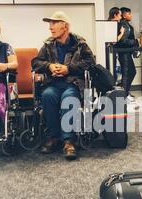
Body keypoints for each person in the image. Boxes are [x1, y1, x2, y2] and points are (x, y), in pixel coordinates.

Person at [32, 11, 95, 160]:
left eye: (54, 23)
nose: (50, 27)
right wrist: (49, 66)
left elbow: (90, 63)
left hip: (72, 84)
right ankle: (53, 136)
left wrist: (69, 69)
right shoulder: (48, 44)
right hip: (53, 84)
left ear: (65, 26)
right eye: (50, 24)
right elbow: (35, 63)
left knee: (68, 98)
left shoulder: (80, 44)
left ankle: (68, 140)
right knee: (47, 96)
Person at [117, 7, 139, 102]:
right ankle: (123, 96)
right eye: (129, 13)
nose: (131, 15)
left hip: (126, 53)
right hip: (124, 53)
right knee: (127, 73)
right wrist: (136, 41)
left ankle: (125, 92)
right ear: (124, 15)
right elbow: (123, 41)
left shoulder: (126, 24)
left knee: (131, 72)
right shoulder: (124, 25)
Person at [107, 7, 125, 83]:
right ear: (115, 15)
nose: (121, 17)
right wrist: (122, 33)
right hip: (110, 52)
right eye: (120, 15)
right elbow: (113, 41)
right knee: (111, 70)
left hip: (111, 51)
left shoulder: (111, 24)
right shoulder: (111, 25)